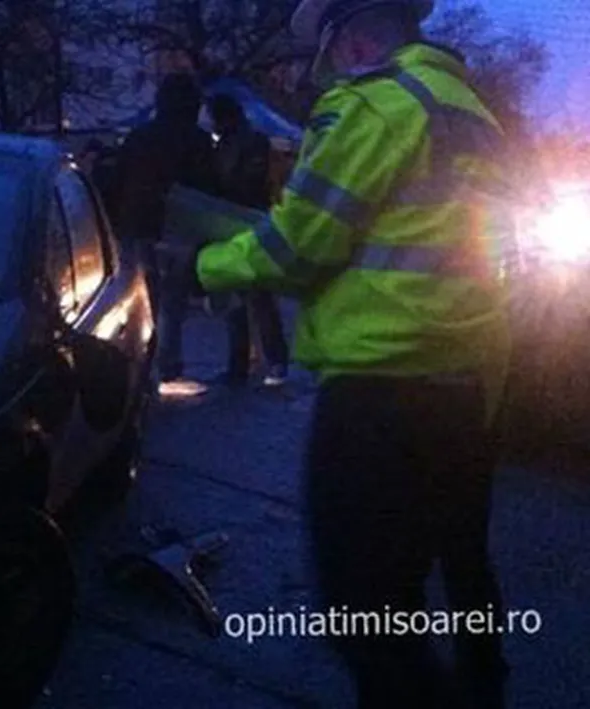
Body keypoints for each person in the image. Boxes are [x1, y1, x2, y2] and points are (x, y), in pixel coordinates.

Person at [183, 0, 513, 706]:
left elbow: (297, 246)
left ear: (356, 39)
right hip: (467, 390)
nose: (324, 73)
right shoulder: (471, 111)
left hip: (380, 396)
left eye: (328, 56)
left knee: (366, 611)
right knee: (458, 573)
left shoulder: (372, 105)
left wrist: (202, 267)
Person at [111, 74, 215, 385]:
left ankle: (143, 360)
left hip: (139, 223)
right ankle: (168, 361)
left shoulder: (139, 137)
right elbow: (209, 186)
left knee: (142, 296)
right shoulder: (198, 141)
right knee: (173, 301)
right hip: (179, 227)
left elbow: (119, 179)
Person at [205, 93, 291, 386]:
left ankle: (246, 363)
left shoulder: (231, 144)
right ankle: (272, 361)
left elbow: (238, 182)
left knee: (246, 296)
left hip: (238, 221)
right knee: (258, 297)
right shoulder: (252, 141)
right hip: (252, 220)